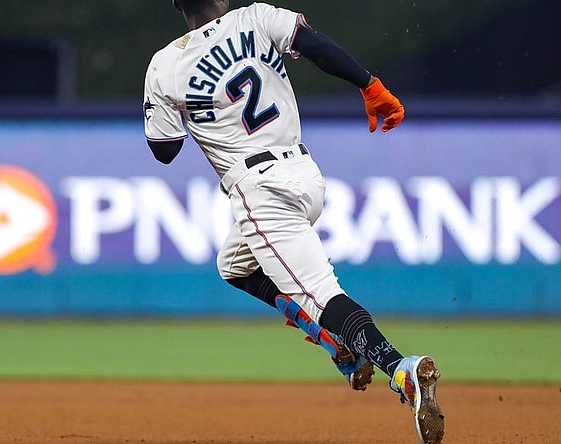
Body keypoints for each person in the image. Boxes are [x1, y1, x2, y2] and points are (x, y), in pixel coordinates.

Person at [142, 1, 444, 443]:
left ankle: (399, 368)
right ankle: (336, 343)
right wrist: (370, 85)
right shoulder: (256, 17)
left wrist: (182, 104)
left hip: (258, 190)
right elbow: (316, 45)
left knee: (322, 293)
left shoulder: (166, 64)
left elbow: (165, 148)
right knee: (234, 264)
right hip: (303, 173)